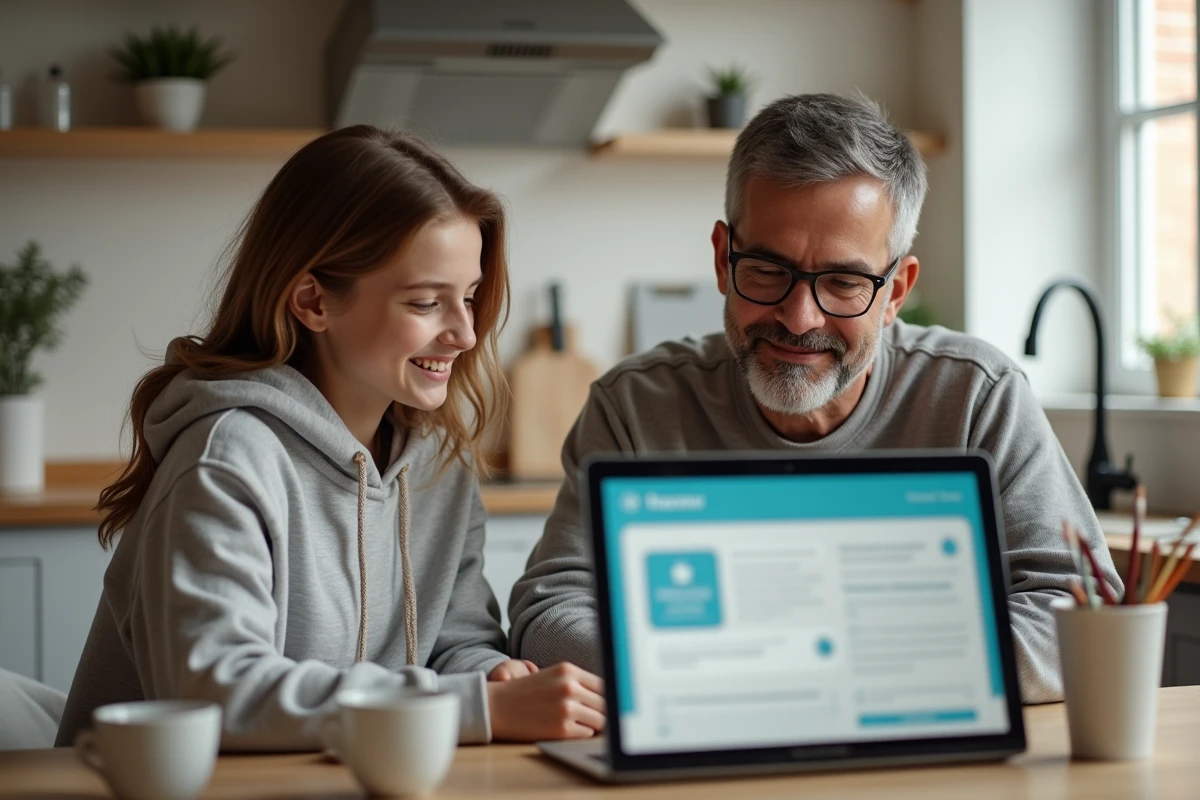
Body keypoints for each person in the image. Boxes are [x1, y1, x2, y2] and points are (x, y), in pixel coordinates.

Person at [508, 93, 1121, 704]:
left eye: (844, 282)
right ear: (723, 260)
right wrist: (740, 672)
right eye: (768, 271)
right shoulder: (635, 406)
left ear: (896, 290)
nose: (800, 319)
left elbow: (1082, 609)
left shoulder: (976, 396)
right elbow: (548, 612)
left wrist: (850, 671)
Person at [57, 126, 605, 750]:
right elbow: (213, 691)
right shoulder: (227, 457)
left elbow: (456, 640)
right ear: (314, 301)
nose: (465, 334)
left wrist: (490, 675)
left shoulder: (439, 466)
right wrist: (469, 707)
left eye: (471, 298)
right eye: (427, 303)